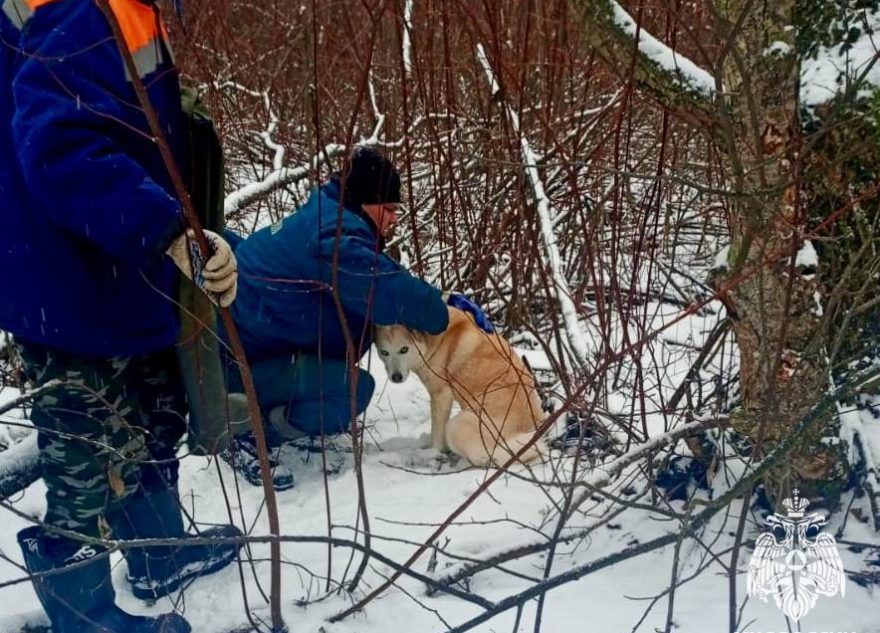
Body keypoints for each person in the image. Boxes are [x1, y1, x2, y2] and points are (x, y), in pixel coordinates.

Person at [1, 2, 240, 632]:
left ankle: (158, 554)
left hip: (124, 267)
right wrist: (166, 228)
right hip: (67, 283)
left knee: (157, 417)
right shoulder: (80, 11)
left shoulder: (126, 8)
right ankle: (84, 618)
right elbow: (59, 147)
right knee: (86, 461)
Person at [221, 147, 450, 489]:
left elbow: (376, 275)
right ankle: (242, 430)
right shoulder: (334, 239)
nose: (394, 219)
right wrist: (442, 308)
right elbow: (419, 307)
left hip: (247, 347)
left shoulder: (327, 214)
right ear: (364, 201)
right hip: (235, 366)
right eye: (388, 209)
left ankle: (265, 410)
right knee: (352, 392)